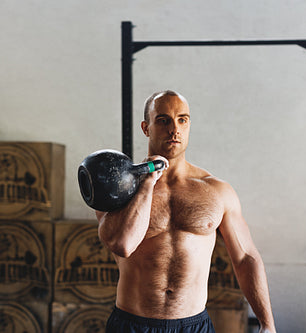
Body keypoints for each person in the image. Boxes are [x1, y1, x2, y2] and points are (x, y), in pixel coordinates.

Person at [96, 90, 276, 333]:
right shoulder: (119, 189)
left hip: (193, 326)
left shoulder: (216, 190)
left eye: (182, 119)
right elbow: (123, 244)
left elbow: (245, 259)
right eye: (163, 120)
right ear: (146, 127)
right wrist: (148, 181)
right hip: (133, 324)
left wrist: (267, 324)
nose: (174, 129)